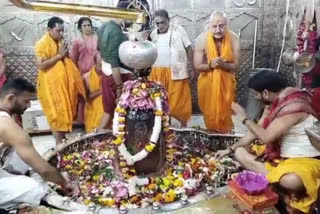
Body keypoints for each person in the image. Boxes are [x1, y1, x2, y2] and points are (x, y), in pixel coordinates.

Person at [215, 70, 320, 214]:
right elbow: (255, 131)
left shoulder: (292, 107)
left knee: (290, 181)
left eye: (255, 94)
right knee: (240, 152)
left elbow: (265, 137)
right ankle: (272, 177)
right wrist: (230, 149)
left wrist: (244, 118)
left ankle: (276, 181)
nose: (255, 98)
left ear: (265, 92)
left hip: (305, 160)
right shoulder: (273, 104)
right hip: (282, 158)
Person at [0, 78, 84, 211]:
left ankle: (13, 176)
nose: (28, 106)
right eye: (26, 101)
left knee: (18, 150)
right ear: (11, 98)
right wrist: (64, 183)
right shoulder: (8, 126)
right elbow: (44, 170)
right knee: (34, 188)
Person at [35, 16, 86, 144]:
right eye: (58, 31)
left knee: (63, 114)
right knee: (56, 116)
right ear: (49, 29)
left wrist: (64, 54)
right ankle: (59, 144)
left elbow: (66, 60)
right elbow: (41, 65)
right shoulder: (42, 43)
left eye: (63, 30)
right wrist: (59, 55)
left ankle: (62, 141)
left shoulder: (59, 42)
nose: (61, 33)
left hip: (62, 87)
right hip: (50, 88)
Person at [194, 10, 240, 133]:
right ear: (209, 26)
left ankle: (225, 133)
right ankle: (212, 133)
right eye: (214, 26)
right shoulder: (201, 39)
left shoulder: (234, 39)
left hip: (226, 84)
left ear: (227, 25)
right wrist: (210, 65)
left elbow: (236, 66)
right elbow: (197, 66)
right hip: (207, 83)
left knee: (225, 111)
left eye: (221, 26)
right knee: (209, 112)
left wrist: (223, 65)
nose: (218, 30)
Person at [149, 9, 193, 127]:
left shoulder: (179, 30)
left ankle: (184, 125)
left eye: (162, 22)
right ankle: (165, 126)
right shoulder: (153, 34)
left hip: (176, 71)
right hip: (157, 72)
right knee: (160, 100)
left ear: (168, 20)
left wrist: (192, 66)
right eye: (157, 23)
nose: (160, 26)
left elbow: (189, 47)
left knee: (180, 100)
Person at [96, 18, 134, 130]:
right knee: (123, 112)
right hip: (118, 75)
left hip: (106, 72)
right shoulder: (116, 31)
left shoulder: (104, 25)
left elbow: (99, 49)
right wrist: (119, 86)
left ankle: (96, 141)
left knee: (108, 112)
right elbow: (114, 61)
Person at [70, 17, 98, 125]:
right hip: (82, 72)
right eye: (84, 26)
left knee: (96, 93)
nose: (87, 28)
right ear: (80, 28)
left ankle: (96, 117)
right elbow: (73, 59)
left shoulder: (97, 38)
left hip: (96, 71)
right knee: (84, 96)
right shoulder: (77, 41)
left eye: (89, 25)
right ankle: (84, 120)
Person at [83, 52, 104, 133]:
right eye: (100, 66)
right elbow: (86, 97)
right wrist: (102, 91)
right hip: (92, 110)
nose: (102, 68)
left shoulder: (109, 75)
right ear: (95, 63)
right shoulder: (86, 77)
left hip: (107, 112)